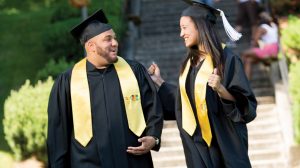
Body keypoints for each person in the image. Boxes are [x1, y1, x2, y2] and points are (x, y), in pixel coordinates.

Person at [47, 9, 163, 168]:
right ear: (91, 46)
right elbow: (58, 134)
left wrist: (153, 137)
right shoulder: (68, 81)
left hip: (133, 161)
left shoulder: (134, 71)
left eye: (115, 38)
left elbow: (153, 108)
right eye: (108, 39)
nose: (115, 43)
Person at [148, 1, 257, 167]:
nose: (181, 33)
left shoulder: (227, 60)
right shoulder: (190, 64)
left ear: (200, 26)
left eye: (184, 27)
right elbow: (184, 100)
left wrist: (221, 89)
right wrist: (159, 81)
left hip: (224, 142)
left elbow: (246, 105)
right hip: (197, 145)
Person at [242, 11, 279, 79]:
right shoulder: (274, 26)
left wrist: (254, 47)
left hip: (268, 51)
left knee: (244, 54)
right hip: (275, 51)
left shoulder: (262, 27)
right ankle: (246, 81)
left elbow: (255, 41)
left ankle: (241, 77)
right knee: (249, 60)